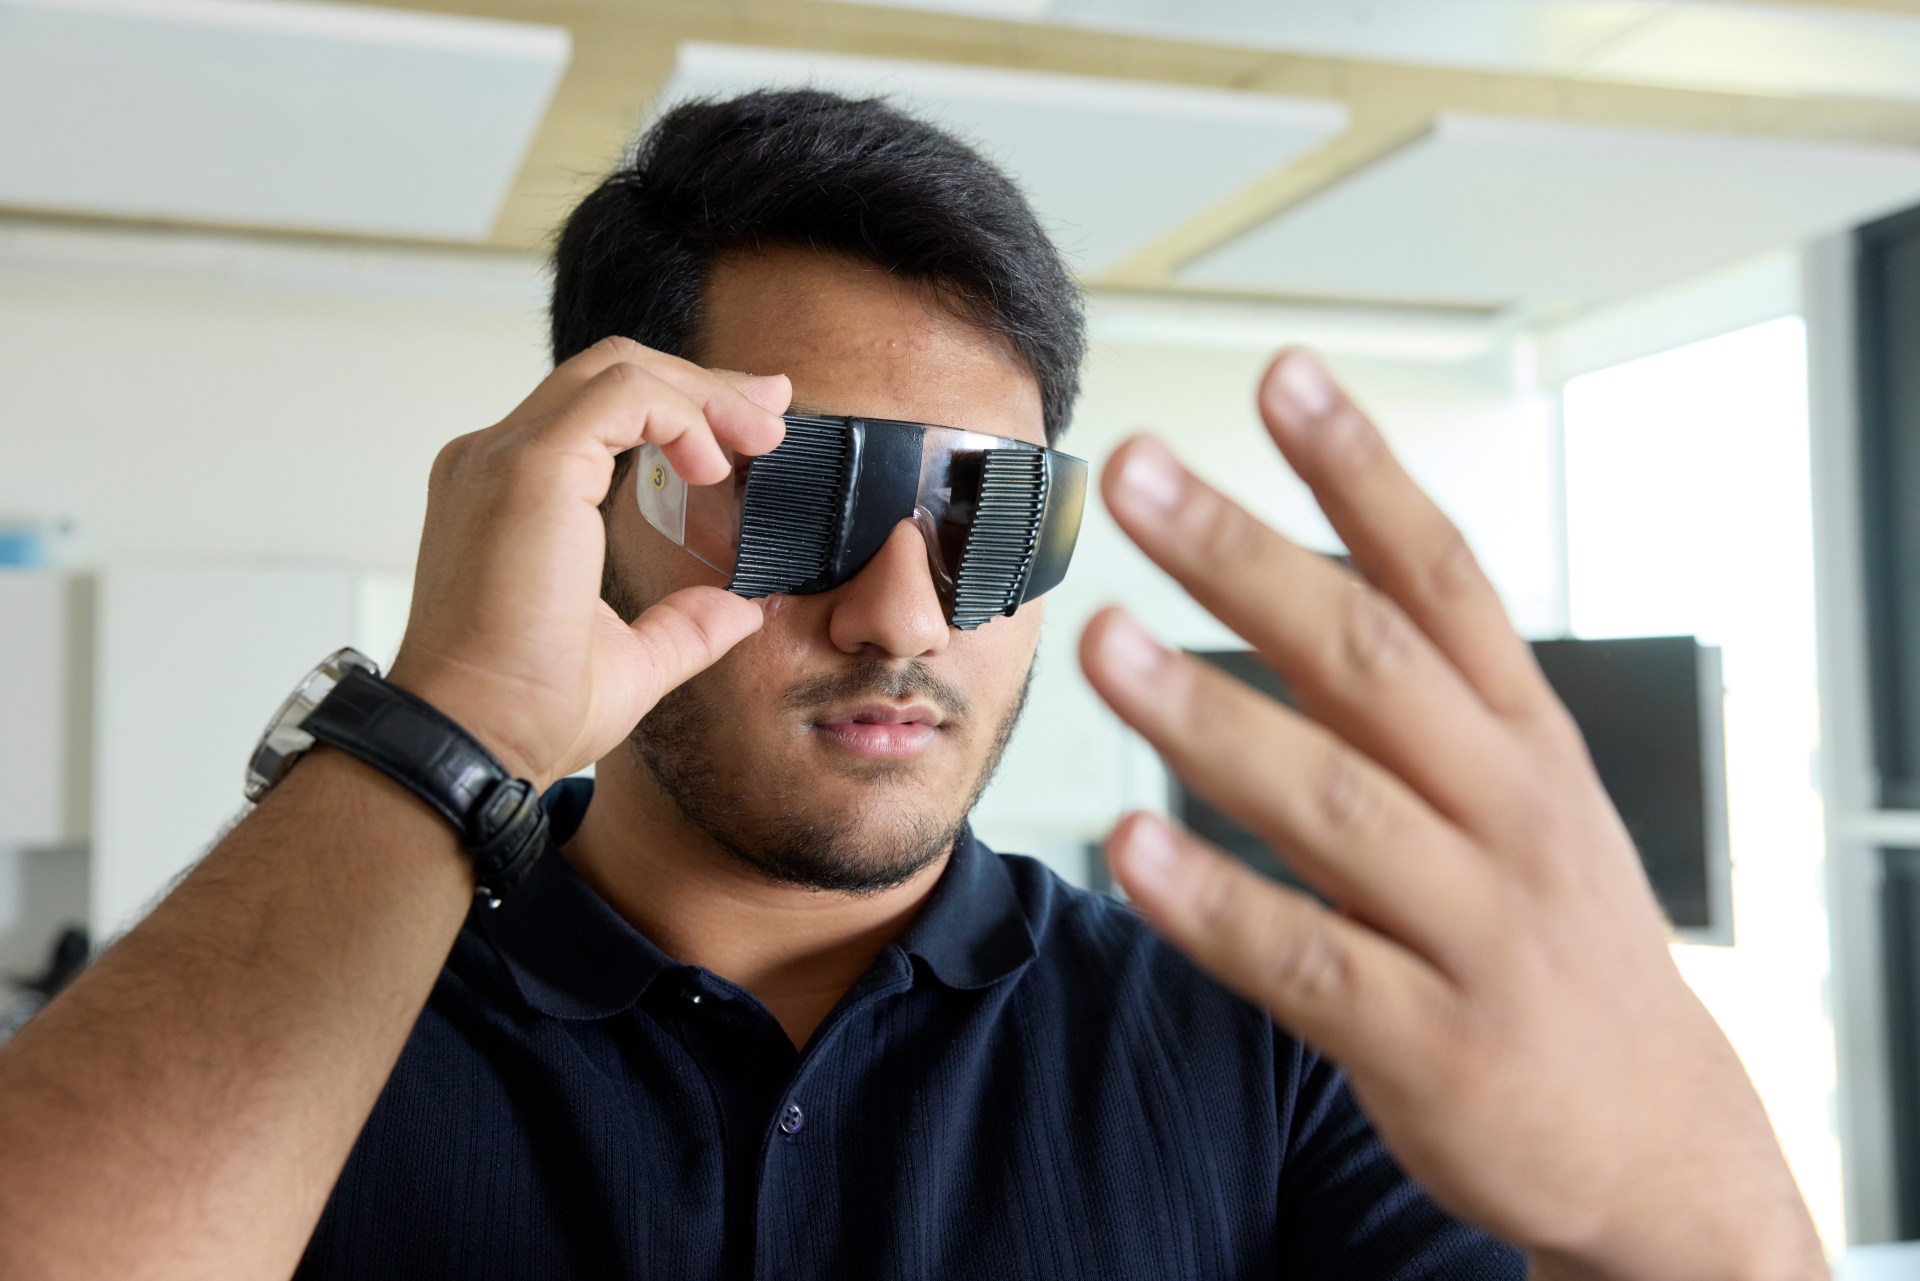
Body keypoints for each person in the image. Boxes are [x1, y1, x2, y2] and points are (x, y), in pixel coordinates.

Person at [0, 90, 1823, 1280]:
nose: (905, 611)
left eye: (992, 509)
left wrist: (1700, 1216)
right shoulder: (314, 1015)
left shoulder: (1264, 1050)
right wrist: (447, 717)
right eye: (807, 490)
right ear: (603, 500)